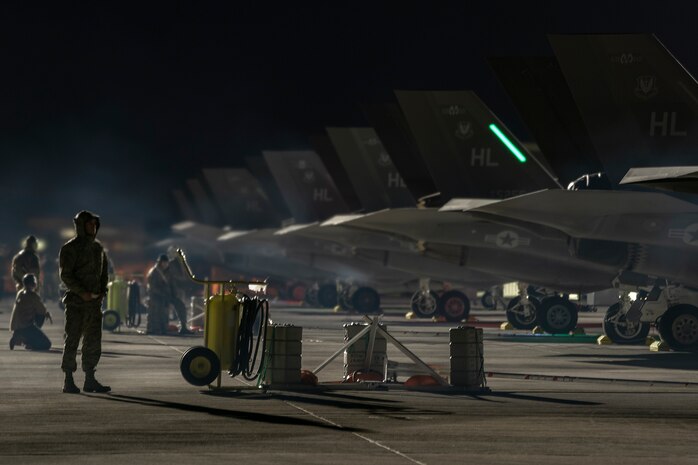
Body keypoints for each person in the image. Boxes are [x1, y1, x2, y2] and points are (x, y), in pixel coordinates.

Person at [59, 210, 111, 394]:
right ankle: (68, 379)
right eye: (89, 224)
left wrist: (102, 291)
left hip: (94, 305)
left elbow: (104, 273)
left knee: (93, 341)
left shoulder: (98, 248)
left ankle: (90, 378)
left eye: (95, 224)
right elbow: (66, 275)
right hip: (76, 304)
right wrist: (82, 293)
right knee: (72, 339)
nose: (93, 227)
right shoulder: (70, 248)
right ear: (80, 226)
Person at [146, 254, 192, 335]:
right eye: (163, 263)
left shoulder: (168, 272)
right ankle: (156, 329)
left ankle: (183, 326)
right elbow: (152, 287)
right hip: (156, 296)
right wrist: (163, 294)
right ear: (160, 263)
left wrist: (174, 294)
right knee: (160, 311)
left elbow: (172, 284)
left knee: (180, 305)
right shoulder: (154, 272)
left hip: (168, 295)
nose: (165, 264)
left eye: (166, 263)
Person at [9, 274, 52, 351]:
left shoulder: (20, 293)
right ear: (33, 284)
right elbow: (42, 310)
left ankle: (20, 336)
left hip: (17, 325)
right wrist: (47, 314)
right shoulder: (33, 296)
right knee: (47, 344)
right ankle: (27, 340)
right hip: (27, 326)